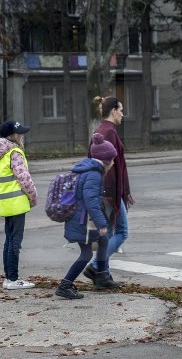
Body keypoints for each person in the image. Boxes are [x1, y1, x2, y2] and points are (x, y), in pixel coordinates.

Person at [55, 133, 121, 299]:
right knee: (86, 254)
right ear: (105, 160)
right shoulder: (93, 174)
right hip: (83, 222)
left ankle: (101, 275)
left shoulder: (89, 170)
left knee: (104, 241)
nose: (113, 163)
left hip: (81, 219)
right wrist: (102, 224)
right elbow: (91, 201)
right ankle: (65, 285)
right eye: (112, 159)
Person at [83, 96, 133, 283]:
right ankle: (97, 266)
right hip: (109, 192)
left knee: (109, 234)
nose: (122, 114)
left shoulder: (102, 130)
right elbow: (107, 166)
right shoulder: (109, 132)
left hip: (105, 191)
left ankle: (103, 276)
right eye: (121, 110)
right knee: (122, 232)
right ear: (113, 111)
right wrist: (110, 194)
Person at [0, 120, 38, 290]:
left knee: (9, 240)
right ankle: (12, 279)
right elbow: (24, 179)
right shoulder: (15, 153)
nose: (23, 136)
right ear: (15, 136)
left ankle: (8, 277)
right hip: (17, 202)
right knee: (15, 242)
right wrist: (33, 197)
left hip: (5, 203)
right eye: (21, 133)